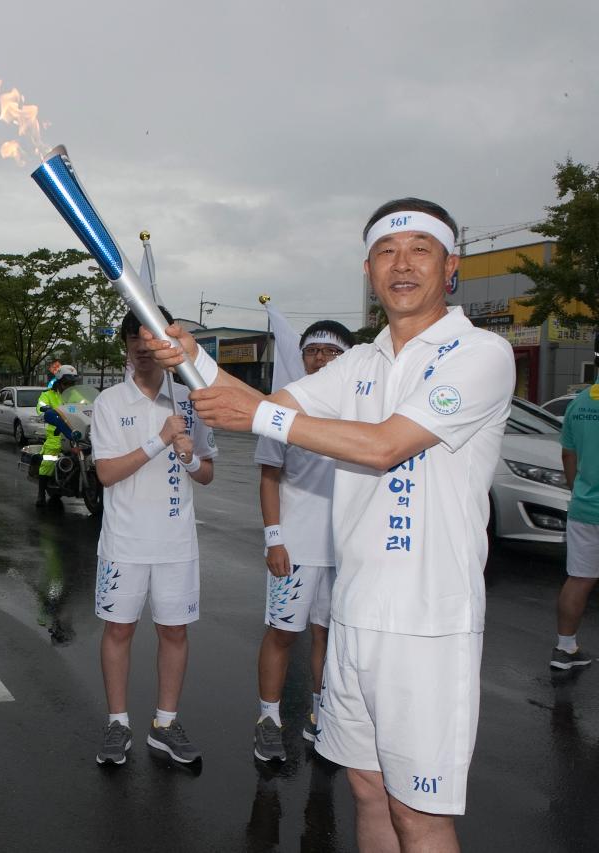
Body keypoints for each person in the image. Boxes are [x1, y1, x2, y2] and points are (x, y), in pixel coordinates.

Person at [150, 199, 514, 851]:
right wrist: (191, 358)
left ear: (450, 265)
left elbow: (382, 446)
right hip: (352, 615)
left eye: (420, 249)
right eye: (386, 251)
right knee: (369, 791)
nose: (402, 263)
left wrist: (261, 415)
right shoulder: (360, 364)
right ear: (369, 271)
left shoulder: (479, 354)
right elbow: (265, 403)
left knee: (421, 815)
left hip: (427, 625)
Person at [91, 308, 216, 767]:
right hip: (124, 542)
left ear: (170, 344)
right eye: (135, 342)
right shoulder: (109, 403)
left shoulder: (190, 398)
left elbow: (207, 474)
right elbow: (105, 473)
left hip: (176, 542)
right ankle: (117, 722)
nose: (144, 350)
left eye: (153, 340)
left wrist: (187, 458)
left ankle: (165, 723)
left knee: (174, 631)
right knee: (119, 629)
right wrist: (159, 441)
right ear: (126, 346)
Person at [251, 320, 353, 764]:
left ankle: (321, 716)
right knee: (282, 634)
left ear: (347, 358)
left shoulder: (360, 411)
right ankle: (269, 719)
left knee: (328, 636)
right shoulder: (284, 412)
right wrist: (275, 539)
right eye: (313, 351)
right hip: (295, 547)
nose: (321, 359)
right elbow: (269, 477)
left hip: (346, 549)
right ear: (303, 356)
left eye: (332, 352)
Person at [554, 369, 599, 670]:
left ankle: (565, 648)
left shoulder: (581, 402)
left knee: (579, 579)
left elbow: (568, 455)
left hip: (584, 506)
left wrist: (577, 490)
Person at [36, 365, 80, 508]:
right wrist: (46, 408)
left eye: (72, 384)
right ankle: (41, 494)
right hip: (56, 435)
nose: (69, 386)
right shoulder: (48, 394)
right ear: (59, 382)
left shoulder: (75, 396)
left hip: (75, 432)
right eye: (67, 383)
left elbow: (86, 405)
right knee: (49, 460)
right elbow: (40, 406)